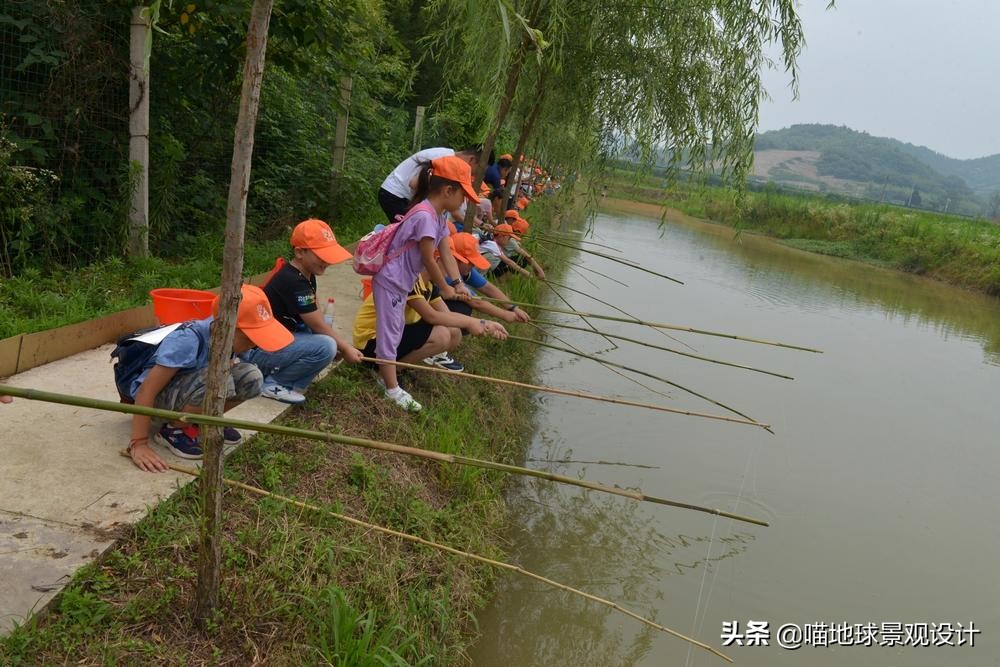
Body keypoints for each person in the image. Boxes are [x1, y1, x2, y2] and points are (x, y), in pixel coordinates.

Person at [126, 284, 293, 473]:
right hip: (157, 399)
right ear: (224, 326)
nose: (253, 343)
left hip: (189, 390)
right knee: (221, 379)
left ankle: (200, 420)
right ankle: (172, 430)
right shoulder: (188, 340)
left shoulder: (232, 342)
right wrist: (138, 443)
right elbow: (146, 390)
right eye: (248, 337)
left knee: (251, 377)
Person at [370, 154, 475, 411]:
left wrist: (458, 282)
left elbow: (446, 253)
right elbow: (429, 259)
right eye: (463, 195)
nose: (464, 202)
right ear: (448, 190)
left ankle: (389, 379)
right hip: (391, 279)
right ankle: (391, 387)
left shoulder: (438, 217)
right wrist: (447, 288)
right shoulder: (424, 216)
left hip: (402, 280)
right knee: (390, 333)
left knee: (394, 332)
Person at [242, 219, 363, 405]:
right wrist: (344, 348)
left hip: (276, 342)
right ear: (300, 252)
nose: (327, 261)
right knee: (326, 346)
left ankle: (287, 379)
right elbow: (317, 324)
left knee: (324, 341)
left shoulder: (304, 274)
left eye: (328, 255)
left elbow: (313, 316)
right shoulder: (294, 281)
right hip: (258, 352)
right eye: (320, 255)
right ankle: (275, 383)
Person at [354, 272, 508, 410]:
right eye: (448, 267)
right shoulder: (411, 280)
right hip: (370, 343)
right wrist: (471, 323)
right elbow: (431, 316)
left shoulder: (428, 284)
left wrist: (483, 323)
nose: (452, 275)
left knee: (454, 333)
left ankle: (395, 369)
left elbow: (448, 315)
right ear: (435, 262)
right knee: (441, 335)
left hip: (392, 337)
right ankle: (383, 374)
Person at [377, 146, 480, 223]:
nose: (474, 174)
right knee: (406, 234)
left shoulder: (447, 156)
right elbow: (414, 183)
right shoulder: (443, 158)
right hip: (395, 194)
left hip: (406, 197)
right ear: (472, 159)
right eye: (477, 169)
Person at [494, 214, 546, 279]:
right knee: (522, 260)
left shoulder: (502, 233)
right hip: (495, 267)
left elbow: (526, 256)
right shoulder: (510, 241)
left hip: (498, 263)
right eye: (521, 235)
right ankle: (504, 279)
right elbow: (525, 256)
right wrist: (535, 274)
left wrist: (539, 271)